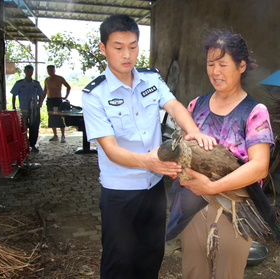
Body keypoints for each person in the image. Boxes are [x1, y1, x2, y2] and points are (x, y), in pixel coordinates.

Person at [81, 14, 216, 279]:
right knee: (118, 263)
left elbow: (175, 106)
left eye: (133, 46)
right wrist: (149, 162)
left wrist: (195, 132)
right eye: (118, 47)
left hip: (153, 189)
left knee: (151, 256)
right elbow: (110, 149)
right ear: (103, 48)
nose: (127, 54)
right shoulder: (94, 95)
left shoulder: (151, 79)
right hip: (119, 194)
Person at [166, 29, 275, 279]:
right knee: (193, 271)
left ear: (241, 66)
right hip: (192, 205)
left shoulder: (255, 112)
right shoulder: (196, 106)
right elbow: (184, 150)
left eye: (223, 64)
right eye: (210, 64)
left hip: (236, 209)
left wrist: (215, 187)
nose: (215, 72)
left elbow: (260, 167)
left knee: (228, 274)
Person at [10, 65, 44, 153]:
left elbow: (41, 94)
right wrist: (13, 107)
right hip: (24, 108)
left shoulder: (36, 83)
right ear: (25, 72)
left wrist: (40, 103)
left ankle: (32, 144)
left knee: (34, 127)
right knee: (23, 128)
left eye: (31, 71)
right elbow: (14, 94)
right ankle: (23, 145)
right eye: (28, 71)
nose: (29, 73)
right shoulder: (20, 83)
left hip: (34, 109)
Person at [40, 65, 71, 143]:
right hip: (50, 100)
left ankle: (63, 135)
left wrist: (65, 97)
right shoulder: (46, 80)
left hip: (58, 100)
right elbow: (45, 92)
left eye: (52, 70)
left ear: (54, 70)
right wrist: (41, 101)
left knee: (59, 118)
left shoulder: (59, 78)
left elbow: (68, 87)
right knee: (51, 118)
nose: (50, 71)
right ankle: (55, 135)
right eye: (49, 70)